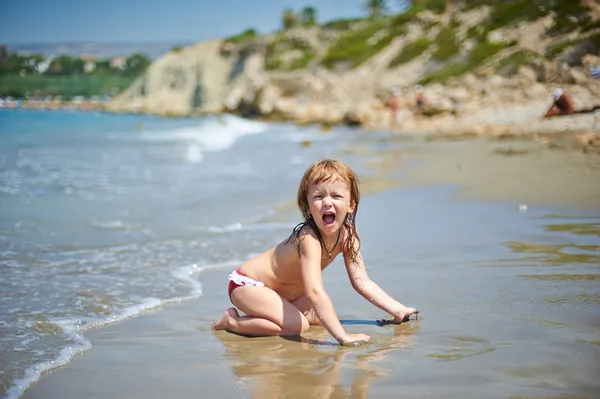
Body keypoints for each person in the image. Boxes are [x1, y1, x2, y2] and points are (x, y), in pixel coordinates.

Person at [213, 159, 419, 346]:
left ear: (351, 205)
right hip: (248, 285)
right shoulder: (309, 238)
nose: (327, 202)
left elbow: (362, 282)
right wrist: (342, 337)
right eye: (318, 196)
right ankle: (232, 322)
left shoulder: (349, 237)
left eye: (337, 196)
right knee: (297, 326)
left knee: (318, 317)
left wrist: (397, 309)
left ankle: (269, 316)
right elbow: (314, 292)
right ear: (308, 206)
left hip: (283, 292)